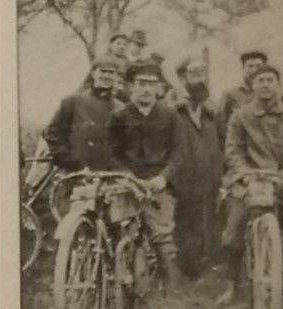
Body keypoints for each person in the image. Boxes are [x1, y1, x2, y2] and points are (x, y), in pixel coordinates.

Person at [218, 64, 283, 305]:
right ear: (252, 85)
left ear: (278, 85)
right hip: (250, 180)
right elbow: (233, 151)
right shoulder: (240, 115)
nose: (266, 85)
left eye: (271, 80)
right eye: (261, 80)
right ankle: (231, 286)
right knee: (235, 226)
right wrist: (246, 175)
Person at [108, 59, 185, 286]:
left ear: (159, 87)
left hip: (159, 184)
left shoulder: (170, 115)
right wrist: (126, 177)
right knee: (123, 232)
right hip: (128, 183)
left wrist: (164, 178)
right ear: (131, 86)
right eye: (141, 83)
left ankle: (171, 293)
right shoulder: (120, 117)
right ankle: (123, 285)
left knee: (162, 236)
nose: (147, 89)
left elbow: (180, 153)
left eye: (152, 84)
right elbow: (112, 153)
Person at [172, 57, 223, 280]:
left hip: (210, 172)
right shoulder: (172, 108)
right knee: (186, 220)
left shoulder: (211, 110)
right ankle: (187, 268)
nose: (199, 80)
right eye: (194, 75)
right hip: (183, 174)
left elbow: (223, 139)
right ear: (183, 78)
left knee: (209, 217)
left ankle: (207, 262)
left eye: (202, 75)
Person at [44, 54, 122, 173]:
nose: (107, 76)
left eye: (111, 73)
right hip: (75, 172)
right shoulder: (73, 102)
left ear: (116, 76)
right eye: (103, 71)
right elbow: (53, 133)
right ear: (93, 73)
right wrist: (69, 161)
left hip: (110, 175)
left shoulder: (121, 108)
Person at [217, 49, 268, 144]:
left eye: (258, 66)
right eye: (250, 66)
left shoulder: (271, 94)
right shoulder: (231, 94)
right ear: (243, 68)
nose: (254, 70)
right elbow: (221, 126)